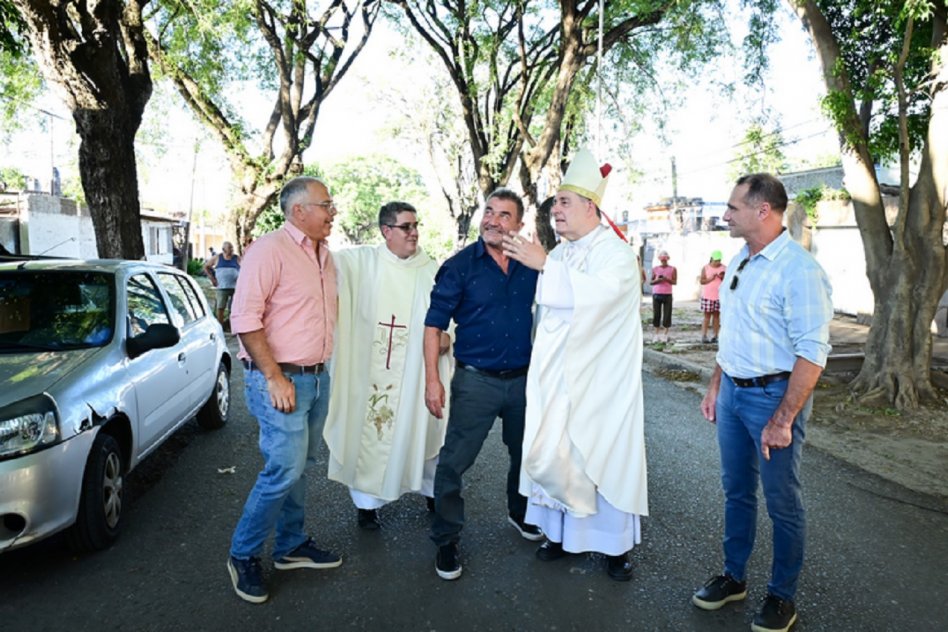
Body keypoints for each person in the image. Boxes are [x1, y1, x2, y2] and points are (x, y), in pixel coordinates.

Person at [693, 173, 832, 632]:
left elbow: (812, 351)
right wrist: (716, 385)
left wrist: (783, 418)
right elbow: (731, 334)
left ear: (762, 211)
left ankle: (781, 596)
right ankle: (734, 577)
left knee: (782, 502)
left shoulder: (799, 270)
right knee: (736, 491)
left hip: (775, 398)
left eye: (733, 207)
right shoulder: (740, 261)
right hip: (733, 391)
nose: (725, 214)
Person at [502, 148, 648, 582]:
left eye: (564, 202)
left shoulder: (616, 254)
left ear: (590, 207)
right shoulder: (562, 255)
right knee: (556, 453)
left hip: (602, 383)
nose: (555, 210)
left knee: (603, 457)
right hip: (558, 380)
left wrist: (544, 265)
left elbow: (599, 299)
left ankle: (614, 548)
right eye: (554, 204)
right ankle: (560, 535)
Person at [226, 176, 341, 604]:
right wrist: (274, 377)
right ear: (299, 211)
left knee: (300, 464)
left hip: (315, 376)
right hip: (281, 379)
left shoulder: (323, 254)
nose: (332, 212)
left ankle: (291, 545)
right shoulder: (269, 250)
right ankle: (243, 554)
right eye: (326, 204)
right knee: (282, 470)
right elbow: (244, 318)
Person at [423, 188, 542, 581]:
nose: (493, 220)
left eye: (504, 215)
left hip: (524, 382)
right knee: (455, 461)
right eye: (489, 211)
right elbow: (434, 325)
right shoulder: (459, 266)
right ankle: (446, 538)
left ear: (519, 225)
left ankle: (520, 513)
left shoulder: (533, 265)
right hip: (476, 382)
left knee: (525, 455)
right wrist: (433, 381)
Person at [324, 201, 452, 530]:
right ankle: (366, 506)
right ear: (386, 231)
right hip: (369, 372)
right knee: (368, 434)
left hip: (415, 376)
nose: (414, 233)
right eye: (406, 227)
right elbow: (316, 263)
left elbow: (450, 321)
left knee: (423, 432)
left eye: (415, 225)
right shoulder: (359, 263)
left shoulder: (430, 270)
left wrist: (448, 338)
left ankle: (431, 495)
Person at [203, 241, 241, 327]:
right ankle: (220, 326)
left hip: (235, 287)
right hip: (222, 287)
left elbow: (245, 267)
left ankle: (232, 325)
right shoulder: (217, 257)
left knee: (234, 308)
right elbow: (206, 266)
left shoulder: (237, 258)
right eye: (230, 248)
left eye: (232, 248)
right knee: (220, 307)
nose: (232, 250)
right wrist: (212, 278)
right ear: (223, 249)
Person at [698, 250, 726, 343]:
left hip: (719, 296)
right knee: (707, 316)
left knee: (717, 317)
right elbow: (702, 281)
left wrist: (722, 277)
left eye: (719, 260)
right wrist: (710, 278)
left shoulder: (724, 268)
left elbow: (728, 281)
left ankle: (716, 335)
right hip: (708, 296)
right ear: (712, 259)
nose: (718, 262)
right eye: (716, 260)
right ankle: (704, 335)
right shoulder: (705, 268)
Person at [649, 250, 676, 342]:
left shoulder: (673, 269)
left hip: (667, 294)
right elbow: (651, 282)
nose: (663, 261)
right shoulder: (655, 269)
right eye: (662, 259)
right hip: (657, 293)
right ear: (660, 259)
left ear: (667, 259)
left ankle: (665, 334)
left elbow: (674, 282)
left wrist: (667, 279)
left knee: (667, 314)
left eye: (665, 259)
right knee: (656, 314)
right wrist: (658, 280)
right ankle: (656, 334)